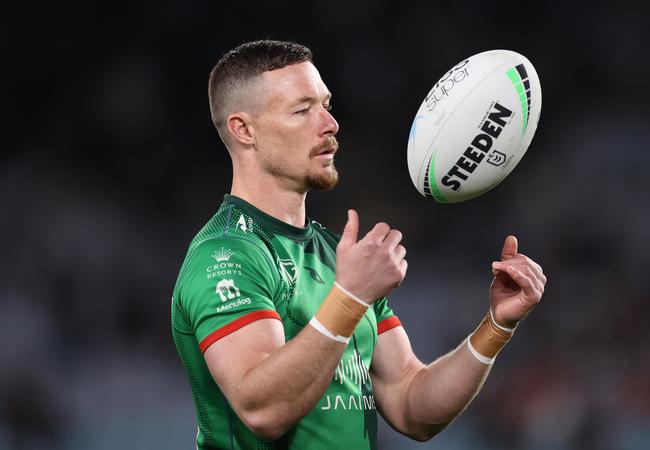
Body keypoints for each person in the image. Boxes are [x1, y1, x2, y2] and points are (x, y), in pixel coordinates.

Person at [171, 40, 547, 450]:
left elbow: (411, 405)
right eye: (302, 110)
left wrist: (496, 326)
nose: (329, 123)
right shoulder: (226, 254)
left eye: (326, 105)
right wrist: (351, 296)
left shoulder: (336, 255)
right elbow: (263, 411)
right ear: (244, 130)